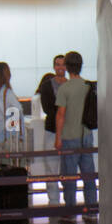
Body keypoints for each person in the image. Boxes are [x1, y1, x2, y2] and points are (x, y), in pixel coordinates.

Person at [55, 50, 96, 216]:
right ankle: (91, 211)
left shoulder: (64, 88)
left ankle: (70, 212)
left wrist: (58, 138)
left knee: (69, 177)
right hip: (86, 135)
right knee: (89, 176)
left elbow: (61, 115)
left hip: (69, 137)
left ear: (67, 67)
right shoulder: (88, 86)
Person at [34, 55, 67, 204]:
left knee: (68, 169)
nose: (60, 67)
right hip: (51, 131)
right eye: (57, 64)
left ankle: (69, 201)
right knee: (51, 169)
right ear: (54, 66)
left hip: (69, 132)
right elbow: (48, 109)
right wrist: (64, 111)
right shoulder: (47, 86)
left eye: (63, 64)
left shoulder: (71, 84)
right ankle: (54, 201)